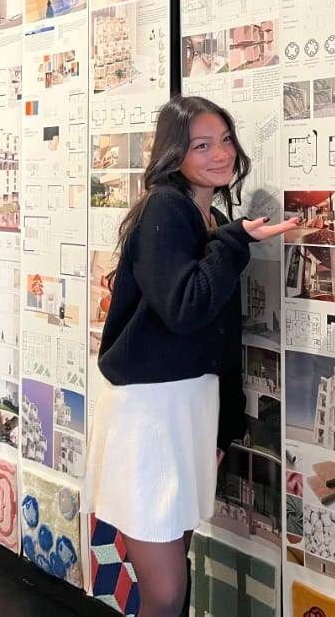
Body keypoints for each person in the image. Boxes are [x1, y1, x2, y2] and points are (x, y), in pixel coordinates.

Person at [84, 96, 298, 617]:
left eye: (225, 140)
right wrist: (235, 240)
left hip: (187, 410)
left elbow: (220, 338)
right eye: (202, 144)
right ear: (174, 153)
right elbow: (186, 307)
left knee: (177, 564)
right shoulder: (168, 207)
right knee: (166, 591)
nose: (220, 154)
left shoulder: (210, 215)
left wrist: (220, 431)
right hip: (151, 417)